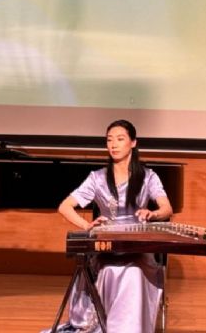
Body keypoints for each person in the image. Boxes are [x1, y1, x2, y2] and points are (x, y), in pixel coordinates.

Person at [48, 119, 173, 333]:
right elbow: (65, 206)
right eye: (109, 140)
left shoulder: (148, 177)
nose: (113, 144)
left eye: (120, 139)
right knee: (109, 270)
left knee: (134, 272)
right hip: (106, 247)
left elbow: (167, 209)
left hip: (138, 247)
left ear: (133, 142)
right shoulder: (97, 178)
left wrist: (152, 214)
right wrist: (87, 225)